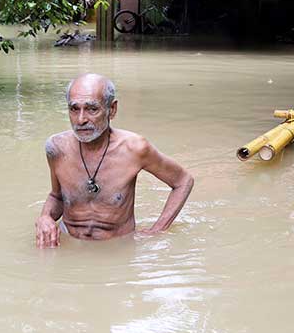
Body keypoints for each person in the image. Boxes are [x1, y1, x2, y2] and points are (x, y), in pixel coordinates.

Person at [35, 73, 194, 247]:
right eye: (74, 109)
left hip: (117, 248)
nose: (81, 119)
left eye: (92, 109)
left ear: (112, 109)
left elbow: (183, 181)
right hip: (69, 243)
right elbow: (56, 196)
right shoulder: (56, 148)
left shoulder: (134, 149)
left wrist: (157, 231)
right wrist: (45, 217)